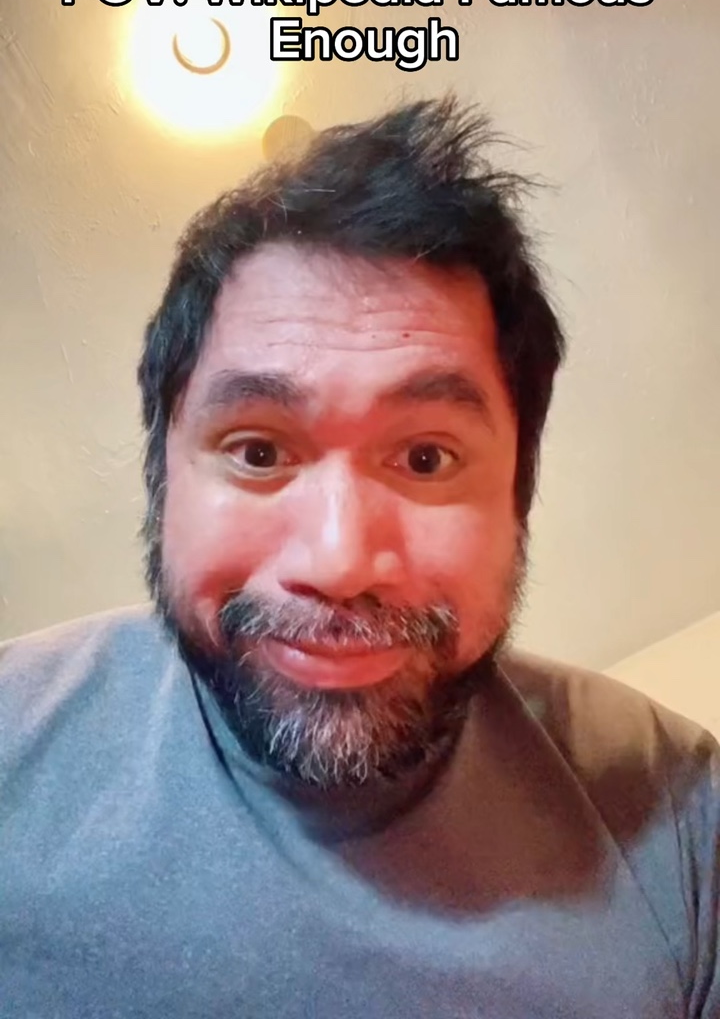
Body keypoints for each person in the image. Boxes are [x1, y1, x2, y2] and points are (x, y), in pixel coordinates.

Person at [1, 97, 717, 1019]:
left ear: (519, 496)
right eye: (259, 451)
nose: (339, 562)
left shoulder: (680, 812)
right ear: (161, 477)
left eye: (425, 459)